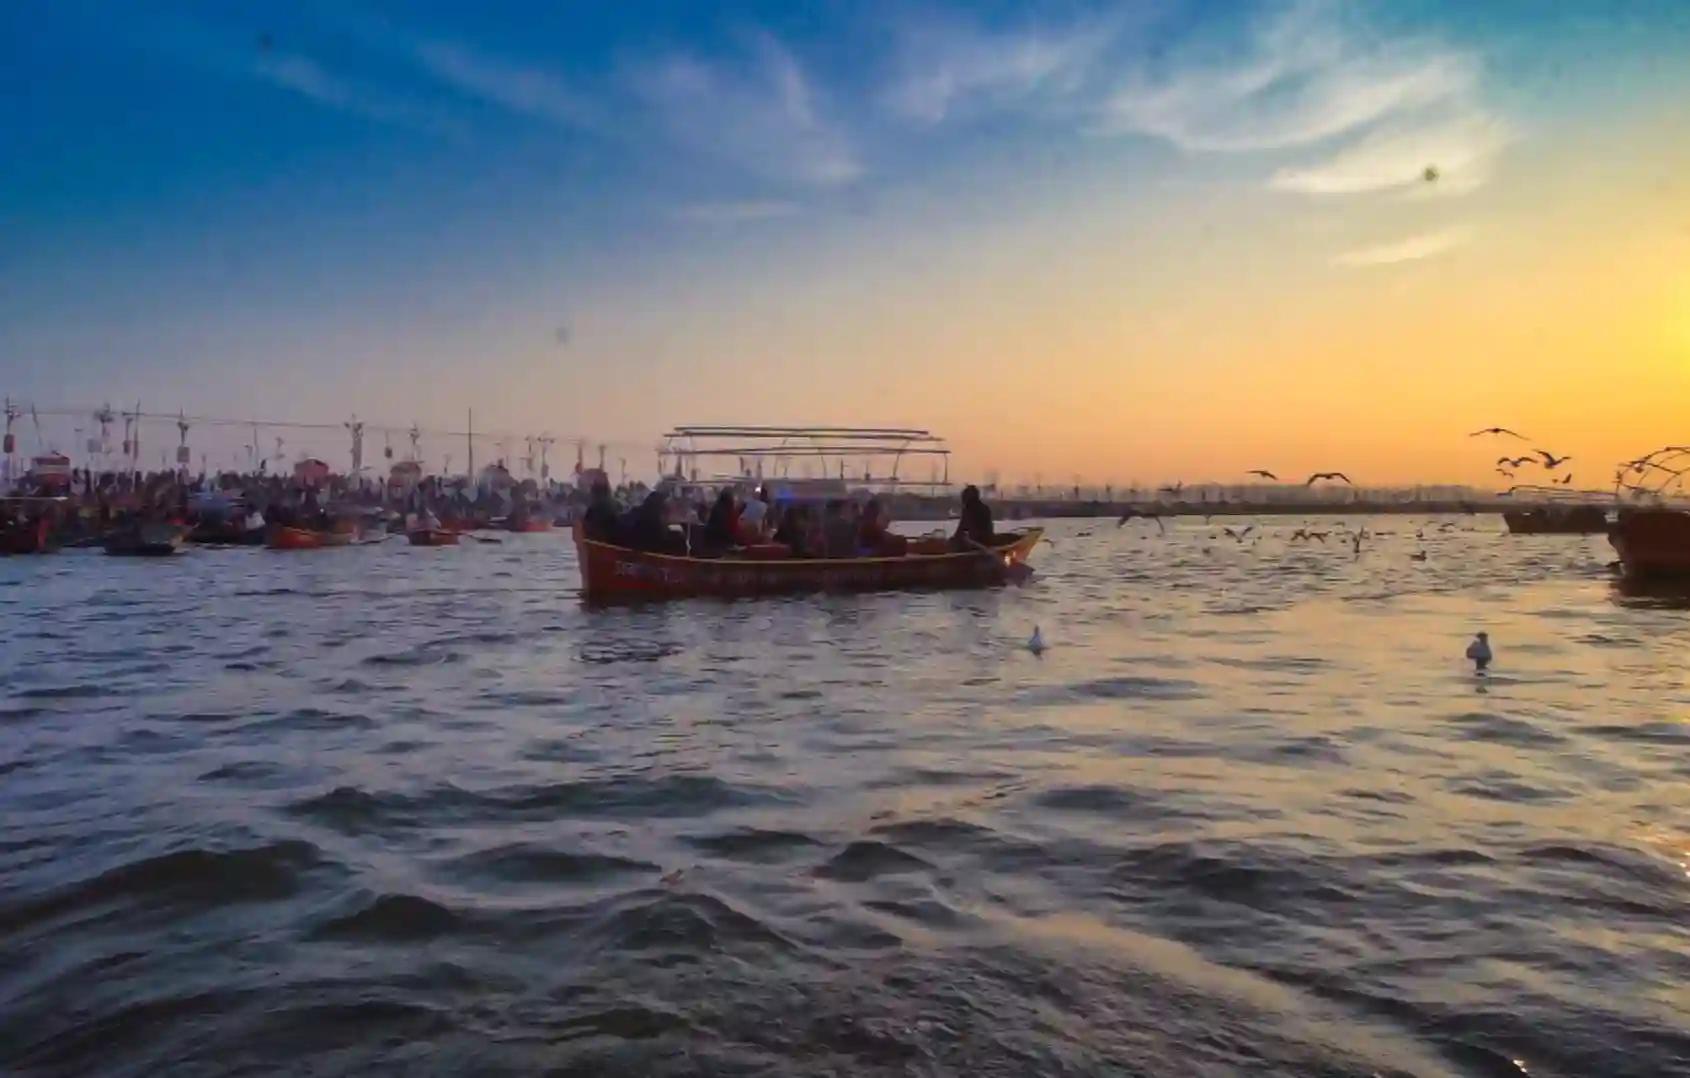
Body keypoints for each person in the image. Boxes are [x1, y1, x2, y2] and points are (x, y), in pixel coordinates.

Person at [953, 484, 995, 550]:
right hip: (987, 542)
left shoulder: (969, 510)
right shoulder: (985, 508)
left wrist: (954, 540)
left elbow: (961, 529)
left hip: (976, 544)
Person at [582, 478, 620, 542]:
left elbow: (585, 530)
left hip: (599, 542)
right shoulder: (617, 504)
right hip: (613, 541)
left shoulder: (593, 508)